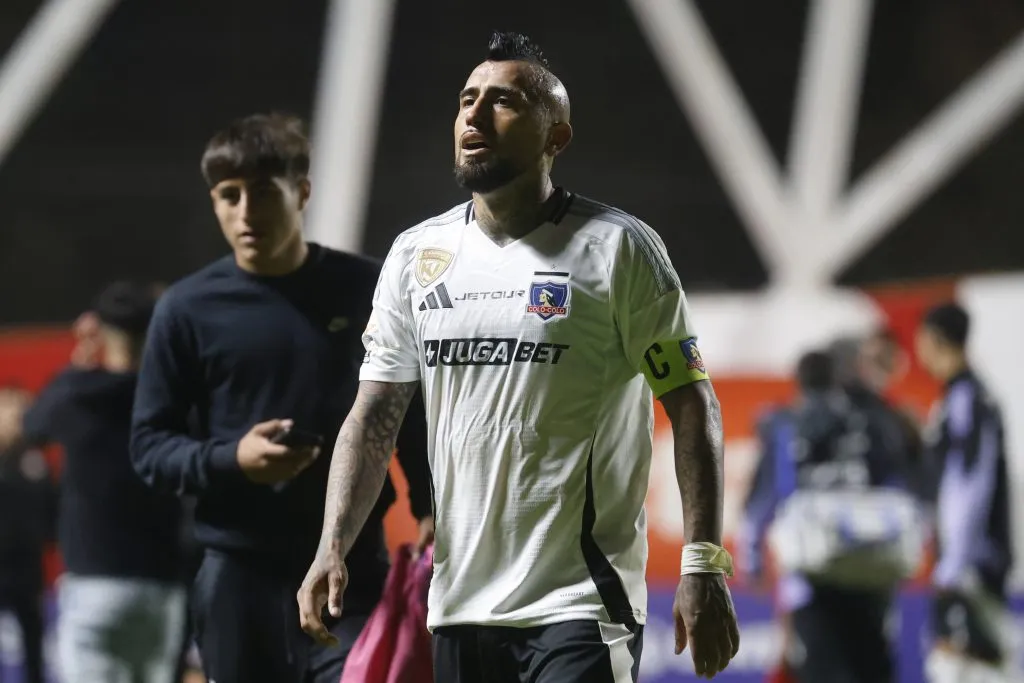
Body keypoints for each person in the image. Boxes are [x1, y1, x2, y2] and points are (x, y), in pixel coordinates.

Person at [298, 31, 740, 682]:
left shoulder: (618, 249)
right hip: (458, 605)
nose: (474, 116)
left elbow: (693, 404)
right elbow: (373, 416)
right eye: (466, 99)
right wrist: (331, 543)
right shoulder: (417, 256)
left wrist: (705, 562)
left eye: (502, 101)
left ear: (555, 136)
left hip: (582, 604)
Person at [129, 113, 433, 683]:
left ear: (303, 192)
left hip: (352, 570)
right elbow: (149, 447)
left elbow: (406, 411)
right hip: (237, 576)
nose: (246, 211)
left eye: (264, 192)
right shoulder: (186, 309)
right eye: (229, 195)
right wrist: (231, 459)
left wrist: (427, 501)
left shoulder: (368, 288)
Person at [21, 282, 187, 683]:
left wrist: (81, 358)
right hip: (163, 587)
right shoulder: (174, 397)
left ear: (98, 330)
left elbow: (33, 425)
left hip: (96, 583)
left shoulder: (80, 392)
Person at [741, 350, 913, 683]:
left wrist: (754, 564)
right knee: (871, 667)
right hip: (869, 571)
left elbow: (760, 503)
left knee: (822, 667)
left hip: (810, 574)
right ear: (836, 381)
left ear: (799, 383)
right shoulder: (869, 420)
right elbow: (897, 491)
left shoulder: (786, 426)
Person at [914, 303, 1013, 682]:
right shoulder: (964, 396)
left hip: (971, 563)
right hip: (970, 559)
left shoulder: (967, 398)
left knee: (963, 666)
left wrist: (955, 560)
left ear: (937, 340)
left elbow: (969, 481)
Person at [0, 387, 51, 683]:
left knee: (34, 645)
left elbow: (51, 510)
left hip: (27, 570)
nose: (17, 418)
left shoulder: (35, 460)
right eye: (9, 410)